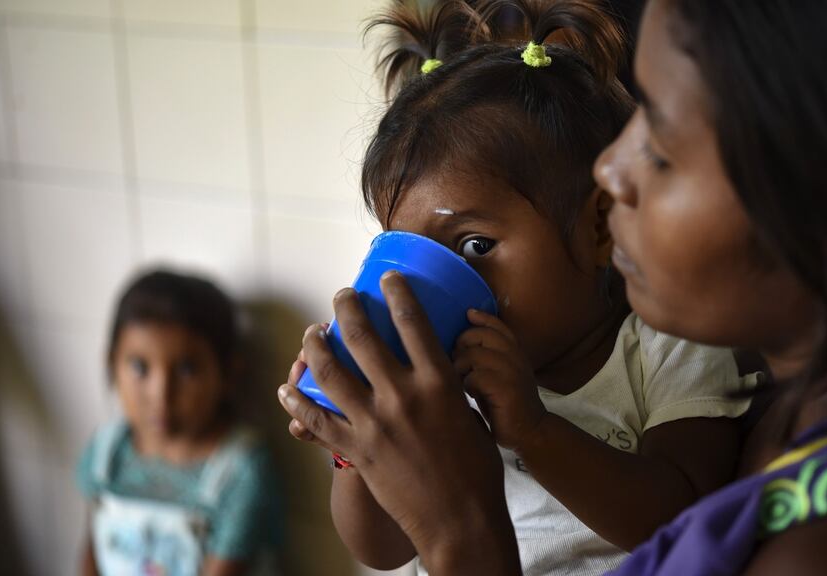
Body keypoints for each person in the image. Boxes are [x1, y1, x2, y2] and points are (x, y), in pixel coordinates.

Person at [279, 0, 827, 573]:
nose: (609, 174)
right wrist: (360, 439)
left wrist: (465, 530)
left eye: (662, 144)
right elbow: (377, 547)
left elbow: (669, 509)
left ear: (824, 192)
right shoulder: (801, 414)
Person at [297, 0, 756, 574]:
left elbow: (686, 518)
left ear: (598, 227)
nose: (427, 290)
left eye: (474, 247)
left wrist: (534, 431)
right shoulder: (443, 382)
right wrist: (357, 444)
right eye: (406, 254)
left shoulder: (669, 347)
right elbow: (383, 550)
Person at [77, 270, 283, 576]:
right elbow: (90, 554)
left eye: (187, 369)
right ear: (111, 364)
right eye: (139, 367)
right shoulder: (106, 454)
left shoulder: (239, 471)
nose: (161, 395)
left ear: (228, 374)